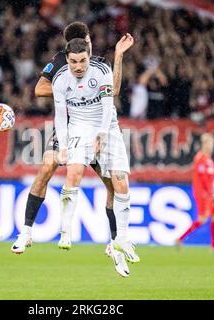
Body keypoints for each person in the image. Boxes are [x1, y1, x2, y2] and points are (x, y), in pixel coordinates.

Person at [11, 22, 134, 256]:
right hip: (69, 126)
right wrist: (70, 90)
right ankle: (26, 232)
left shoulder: (99, 63)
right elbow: (39, 89)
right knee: (47, 167)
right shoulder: (60, 60)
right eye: (87, 39)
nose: (89, 44)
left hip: (97, 127)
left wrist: (118, 57)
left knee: (112, 184)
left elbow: (113, 90)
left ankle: (115, 240)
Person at [53, 38, 139, 277]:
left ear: (89, 56)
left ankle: (121, 239)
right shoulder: (60, 79)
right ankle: (66, 231)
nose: (78, 66)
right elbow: (61, 116)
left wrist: (102, 134)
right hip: (79, 127)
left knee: (120, 181)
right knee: (74, 171)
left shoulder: (101, 70)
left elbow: (107, 105)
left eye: (82, 61)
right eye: (73, 61)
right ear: (67, 58)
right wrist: (62, 143)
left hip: (107, 126)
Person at [176, 133, 214, 250]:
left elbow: (210, 180)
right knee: (202, 219)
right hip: (203, 194)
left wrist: (213, 192)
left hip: (211, 193)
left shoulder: (209, 160)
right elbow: (203, 179)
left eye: (212, 143)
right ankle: (180, 239)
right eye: (209, 143)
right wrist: (211, 193)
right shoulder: (200, 158)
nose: (211, 146)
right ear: (204, 144)